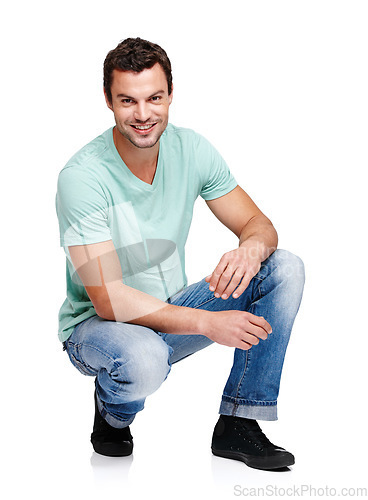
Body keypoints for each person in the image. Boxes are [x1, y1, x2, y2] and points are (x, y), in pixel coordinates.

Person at [56, 37, 305, 471]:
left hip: (170, 310)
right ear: (108, 101)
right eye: (127, 101)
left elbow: (261, 226)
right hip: (99, 326)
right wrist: (209, 323)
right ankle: (114, 412)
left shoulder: (191, 149)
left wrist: (249, 247)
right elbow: (109, 299)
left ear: (170, 94)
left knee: (282, 267)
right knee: (142, 358)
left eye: (154, 98)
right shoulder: (82, 177)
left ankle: (239, 422)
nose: (143, 114)